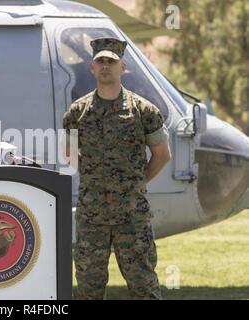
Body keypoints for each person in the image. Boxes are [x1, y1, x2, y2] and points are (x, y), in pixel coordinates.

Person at [63, 37, 171, 299]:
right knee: (88, 288)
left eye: (111, 61)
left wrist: (138, 181)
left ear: (122, 67)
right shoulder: (77, 112)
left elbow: (162, 154)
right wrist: (92, 177)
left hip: (132, 217)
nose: (105, 66)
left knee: (143, 286)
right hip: (92, 217)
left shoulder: (144, 110)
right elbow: (68, 153)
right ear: (92, 67)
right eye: (100, 60)